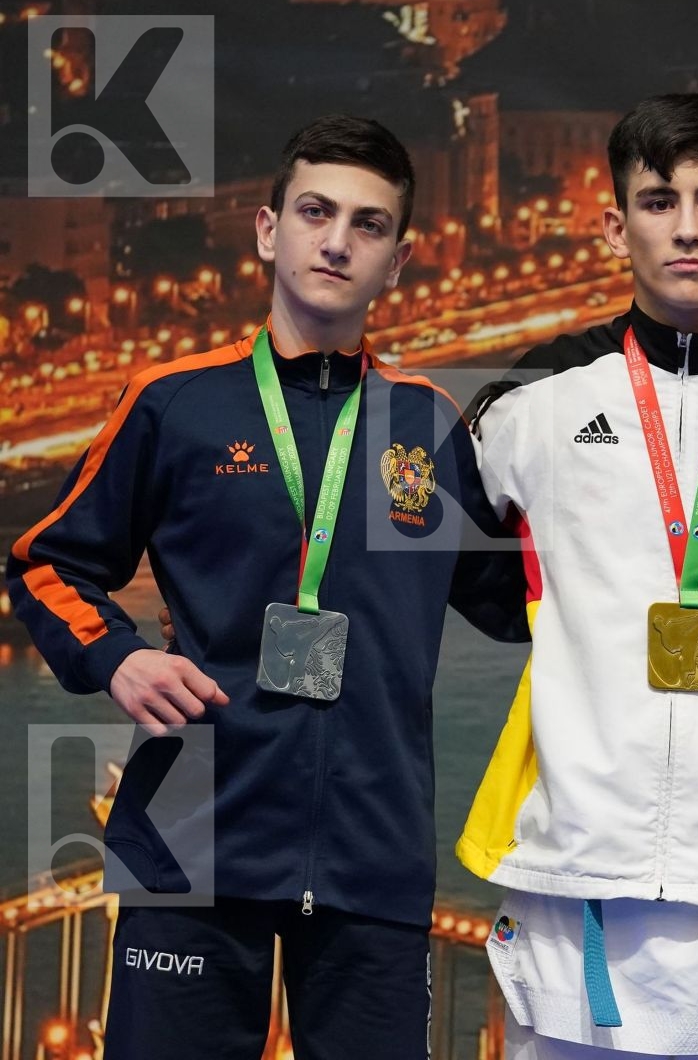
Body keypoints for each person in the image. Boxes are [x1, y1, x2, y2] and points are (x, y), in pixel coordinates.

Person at [7, 115, 528, 1060]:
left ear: (399, 259)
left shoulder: (426, 421)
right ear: (266, 229)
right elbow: (44, 560)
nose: (337, 241)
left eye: (369, 225)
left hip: (374, 855)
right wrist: (117, 658)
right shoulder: (173, 401)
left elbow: (519, 599)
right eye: (315, 212)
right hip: (190, 846)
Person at [457, 93, 698, 1060]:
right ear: (612, 222)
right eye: (658, 200)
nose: (685, 226)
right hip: (580, 853)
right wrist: (569, 633)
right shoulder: (535, 397)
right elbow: (450, 565)